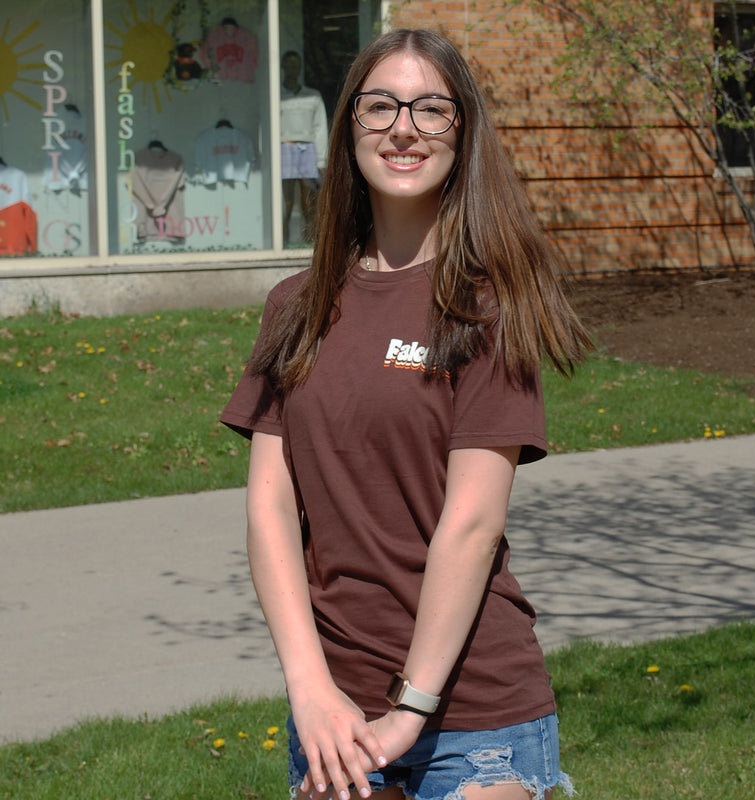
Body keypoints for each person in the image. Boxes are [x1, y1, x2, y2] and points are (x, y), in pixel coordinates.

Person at [221, 28, 591, 800]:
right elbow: (269, 508)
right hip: (336, 717)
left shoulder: (487, 305)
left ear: (463, 131)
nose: (404, 129)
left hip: (475, 715)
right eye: (381, 106)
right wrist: (310, 690)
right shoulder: (294, 306)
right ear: (349, 126)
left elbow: (472, 524)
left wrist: (409, 709)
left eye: (431, 109)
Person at [280, 50, 328, 245]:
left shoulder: (312, 96)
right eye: (289, 64)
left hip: (307, 149)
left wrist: (321, 159)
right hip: (284, 149)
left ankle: (309, 242)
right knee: (286, 201)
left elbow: (320, 127)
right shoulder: (277, 95)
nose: (292, 69)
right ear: (282, 66)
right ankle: (282, 242)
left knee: (308, 201)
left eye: (296, 65)